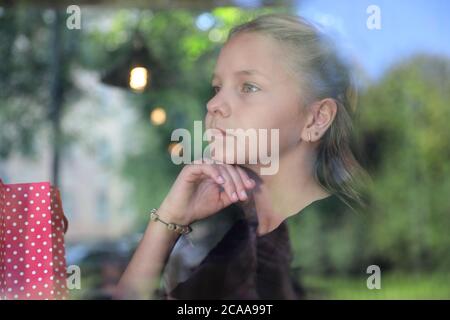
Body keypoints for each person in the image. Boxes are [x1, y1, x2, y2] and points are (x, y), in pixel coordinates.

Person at [115, 13, 368, 300]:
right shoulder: (237, 246)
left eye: (249, 87)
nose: (213, 104)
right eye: (217, 88)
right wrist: (170, 218)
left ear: (316, 119)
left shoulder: (346, 244)